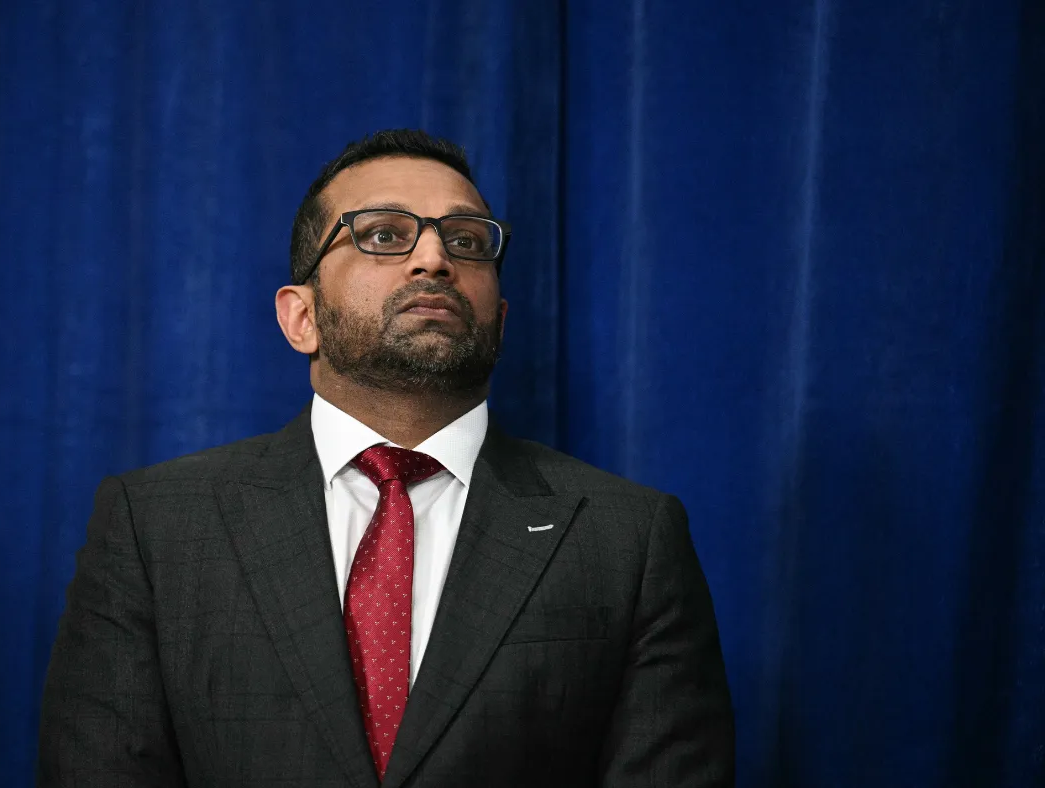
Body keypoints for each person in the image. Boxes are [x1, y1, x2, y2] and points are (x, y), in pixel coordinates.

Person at [38, 129, 734, 787]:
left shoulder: (628, 539)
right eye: (383, 235)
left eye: (466, 240)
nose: (434, 259)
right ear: (301, 317)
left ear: (500, 321)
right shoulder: (155, 528)